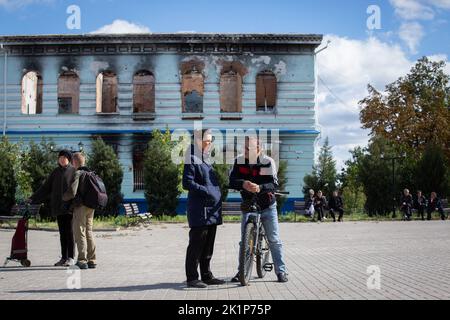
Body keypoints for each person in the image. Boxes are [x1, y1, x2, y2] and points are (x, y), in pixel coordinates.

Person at [229, 136, 288, 283]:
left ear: (259, 149)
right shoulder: (239, 161)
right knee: (244, 241)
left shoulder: (268, 162)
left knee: (274, 239)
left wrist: (260, 187)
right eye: (245, 147)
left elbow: (274, 184)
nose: (246, 150)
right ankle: (241, 271)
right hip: (249, 204)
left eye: (249, 148)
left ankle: (281, 271)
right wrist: (243, 184)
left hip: (267, 205)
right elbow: (231, 181)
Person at [182, 129, 224, 289]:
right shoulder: (191, 158)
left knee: (208, 246)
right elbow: (187, 183)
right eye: (207, 140)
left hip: (211, 210)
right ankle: (192, 278)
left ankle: (206, 275)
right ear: (198, 141)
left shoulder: (205, 158)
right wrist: (208, 192)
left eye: (211, 140)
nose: (210, 143)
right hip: (200, 211)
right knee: (196, 245)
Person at [29, 150, 76, 267]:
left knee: (69, 233)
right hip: (58, 207)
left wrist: (73, 205)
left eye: (64, 157)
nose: (61, 159)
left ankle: (71, 257)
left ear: (69, 159)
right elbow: (45, 188)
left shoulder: (73, 171)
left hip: (69, 208)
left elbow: (76, 190)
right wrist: (32, 198)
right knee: (62, 233)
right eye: (60, 157)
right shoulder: (55, 172)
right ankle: (63, 257)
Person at [62, 152, 97, 270]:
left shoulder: (78, 173)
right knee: (89, 231)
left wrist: (63, 197)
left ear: (74, 162)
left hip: (81, 207)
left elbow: (72, 191)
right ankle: (92, 259)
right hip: (91, 207)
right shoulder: (90, 173)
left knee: (80, 231)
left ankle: (82, 260)